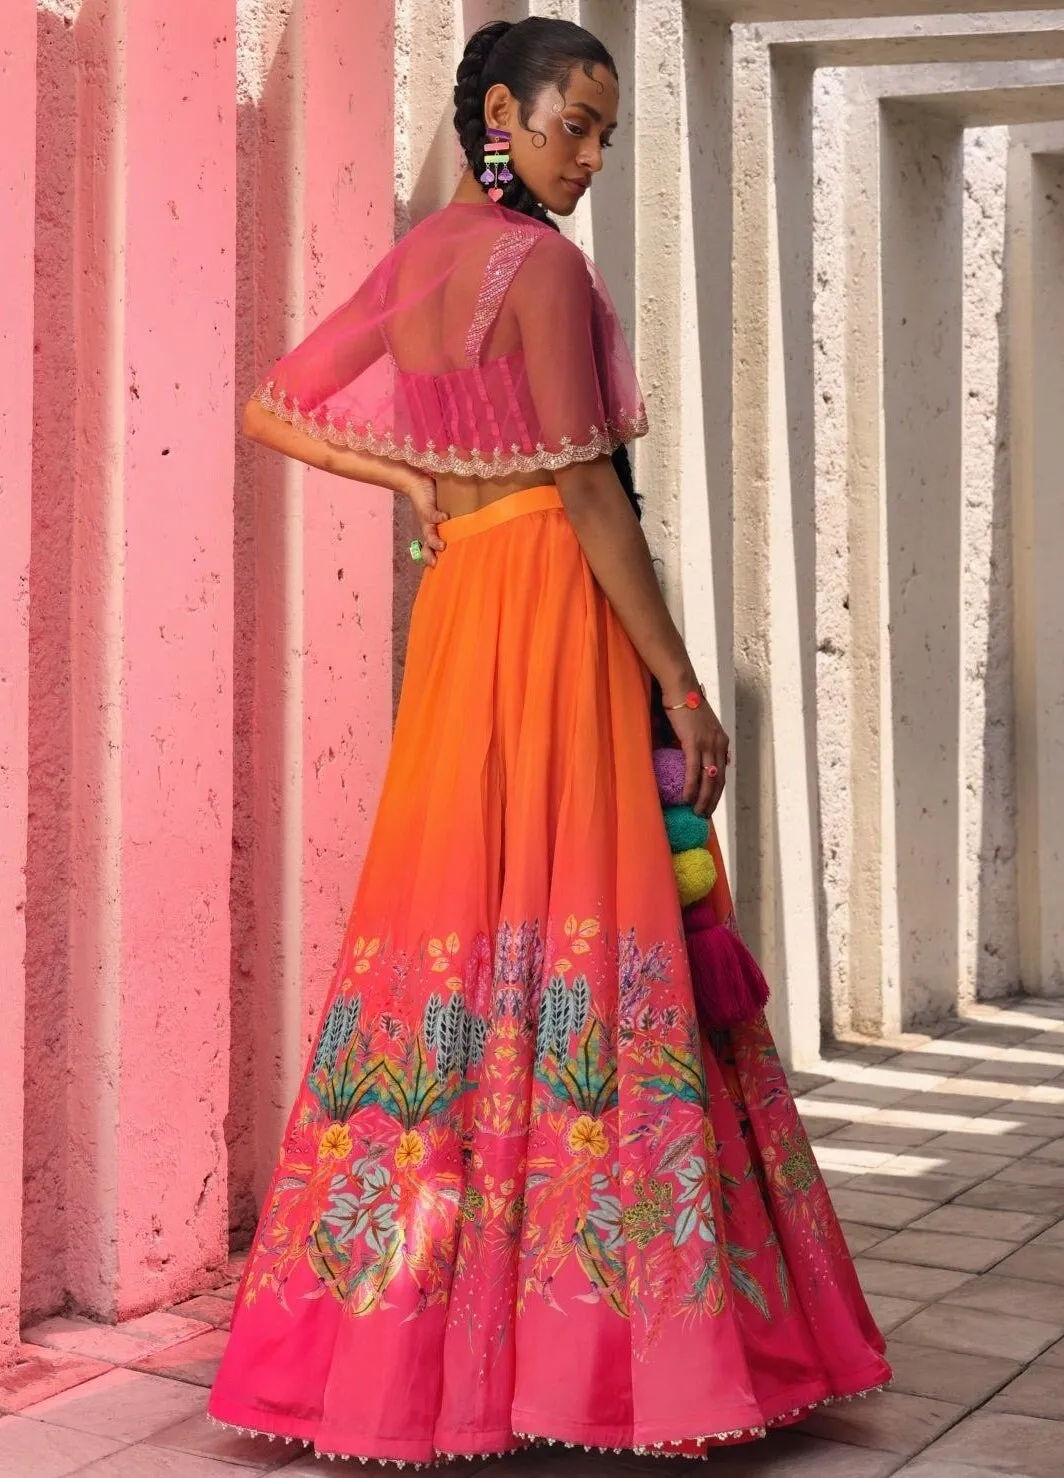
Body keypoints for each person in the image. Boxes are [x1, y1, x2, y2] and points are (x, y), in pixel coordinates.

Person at [208, 16, 890, 1466]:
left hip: (464, 617)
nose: (587, 156)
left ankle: (384, 1340)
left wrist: (411, 477)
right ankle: (603, 1346)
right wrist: (685, 683)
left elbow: (274, 403)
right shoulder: (550, 272)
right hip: (559, 619)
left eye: (604, 135)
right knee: (592, 921)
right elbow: (589, 490)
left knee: (451, 926)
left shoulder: (420, 266)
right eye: (574, 122)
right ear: (498, 113)